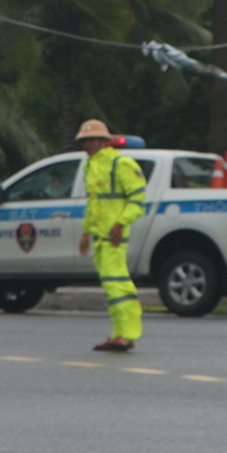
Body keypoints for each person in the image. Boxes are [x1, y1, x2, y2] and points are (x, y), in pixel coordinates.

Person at [75, 119, 147, 353]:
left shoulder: (121, 163)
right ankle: (120, 333)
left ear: (105, 141)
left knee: (118, 287)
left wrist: (120, 224)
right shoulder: (90, 166)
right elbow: (93, 204)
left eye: (93, 139)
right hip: (100, 237)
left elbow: (138, 202)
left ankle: (126, 335)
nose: (89, 144)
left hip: (115, 237)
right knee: (113, 287)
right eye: (85, 140)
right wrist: (86, 233)